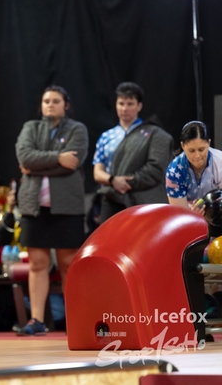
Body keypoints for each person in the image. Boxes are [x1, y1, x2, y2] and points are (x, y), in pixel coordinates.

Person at [14, 85, 88, 336]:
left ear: (66, 105)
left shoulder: (77, 129)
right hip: (33, 206)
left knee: (68, 263)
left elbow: (73, 162)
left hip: (67, 206)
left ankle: (75, 320)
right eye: (46, 101)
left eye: (56, 101)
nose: (50, 105)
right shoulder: (31, 127)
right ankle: (37, 320)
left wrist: (35, 166)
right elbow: (25, 157)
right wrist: (58, 158)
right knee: (37, 263)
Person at [93, 82, 173, 223]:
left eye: (130, 104)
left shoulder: (152, 133)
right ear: (116, 105)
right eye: (121, 103)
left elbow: (156, 168)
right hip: (111, 199)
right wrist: (113, 180)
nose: (125, 108)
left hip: (143, 199)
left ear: (139, 106)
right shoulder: (106, 137)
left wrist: (128, 182)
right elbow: (97, 172)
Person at [166, 121, 222, 219]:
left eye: (201, 150)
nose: (197, 156)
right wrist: (192, 215)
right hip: (189, 220)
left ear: (209, 143)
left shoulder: (219, 162)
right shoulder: (174, 171)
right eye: (191, 151)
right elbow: (180, 215)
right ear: (183, 146)